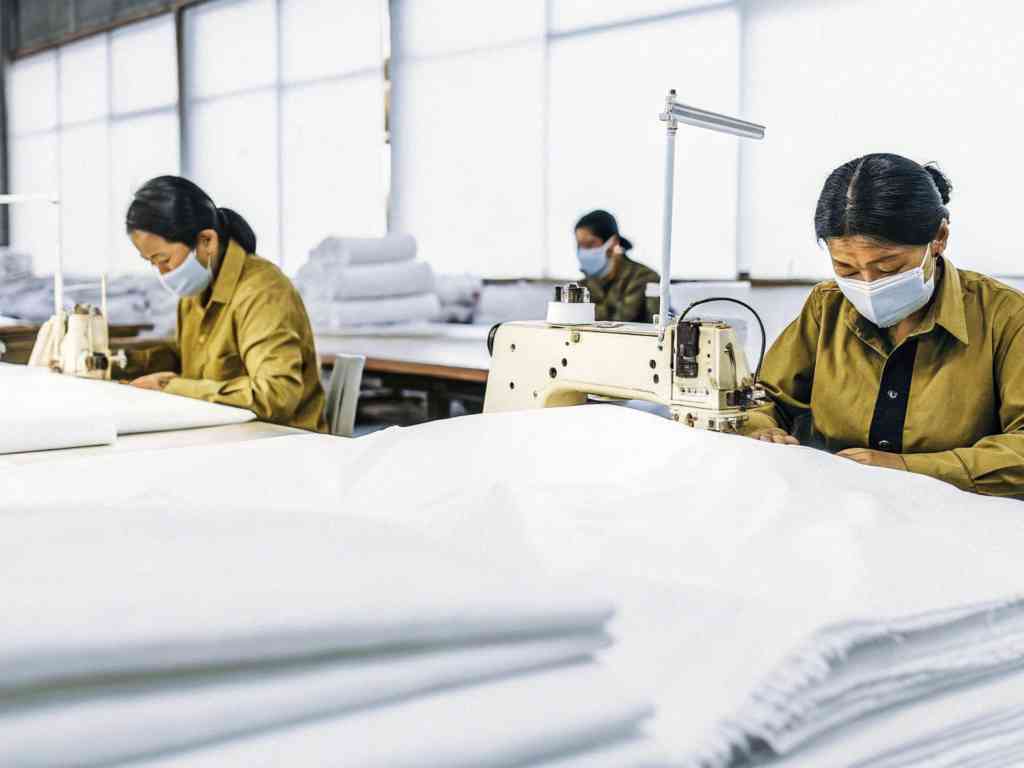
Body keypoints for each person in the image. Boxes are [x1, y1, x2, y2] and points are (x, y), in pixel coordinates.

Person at [741, 153, 1024, 497]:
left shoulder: (1005, 318)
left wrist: (906, 470)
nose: (868, 283)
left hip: (959, 523)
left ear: (939, 237)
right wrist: (761, 430)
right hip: (840, 515)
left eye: (888, 268)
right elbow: (766, 398)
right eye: (846, 268)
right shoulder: (826, 307)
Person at [122, 176, 327, 433]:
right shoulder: (196, 292)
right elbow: (186, 359)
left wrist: (169, 387)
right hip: (228, 435)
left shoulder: (262, 292)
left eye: (163, 259)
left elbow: (275, 395)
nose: (162, 272)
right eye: (151, 262)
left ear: (207, 241)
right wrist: (117, 362)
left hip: (283, 442)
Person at [574, 210, 660, 323]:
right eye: (580, 245)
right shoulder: (582, 285)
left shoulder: (645, 277)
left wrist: (585, 312)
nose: (584, 251)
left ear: (613, 242)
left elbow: (621, 320)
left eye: (590, 244)